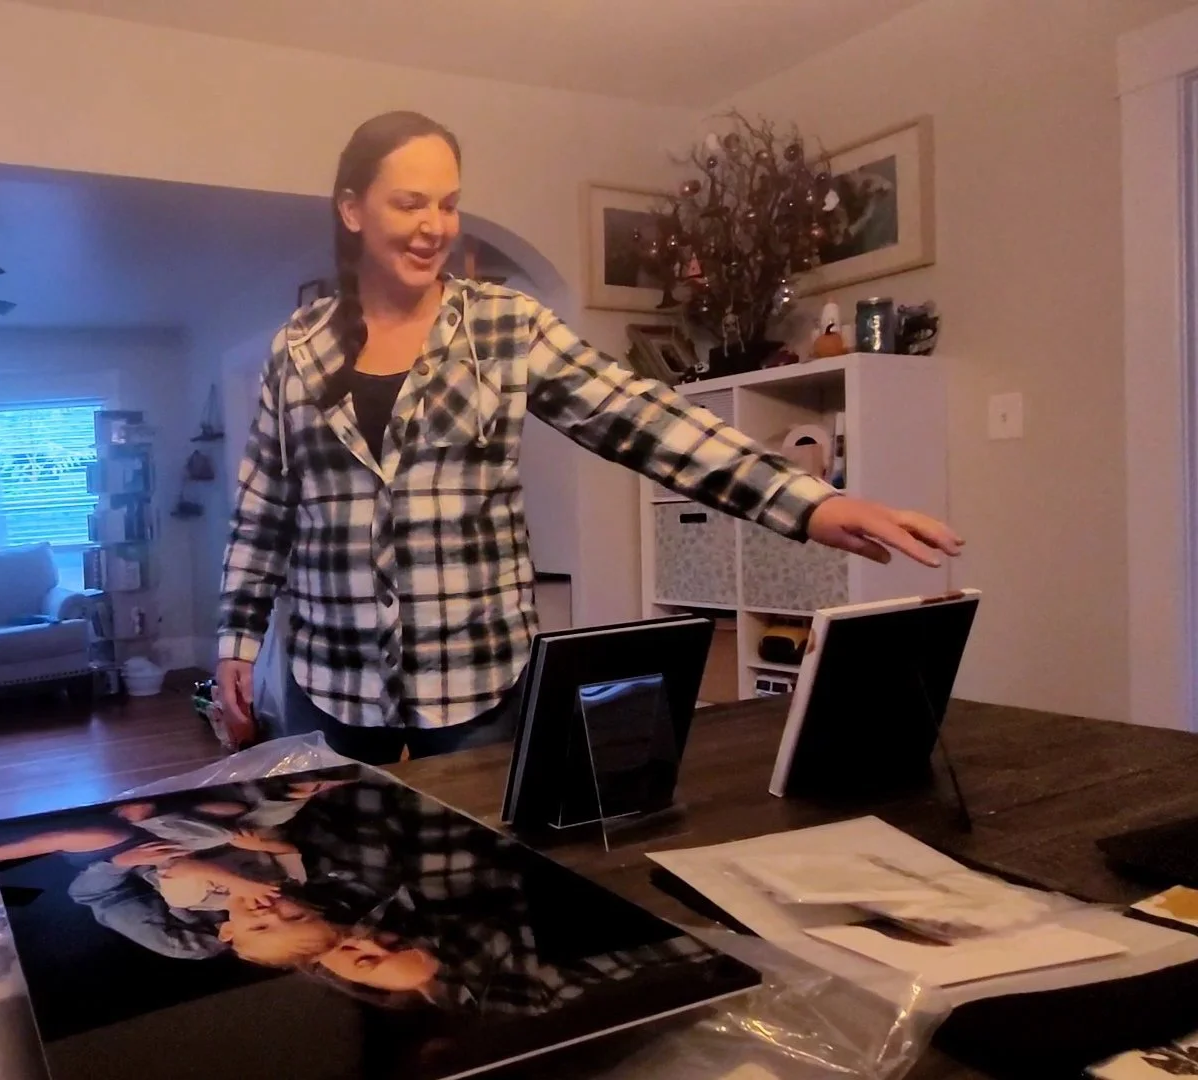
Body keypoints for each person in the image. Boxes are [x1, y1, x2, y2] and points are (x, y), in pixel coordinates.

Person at [214, 111, 963, 764]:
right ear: (352, 209)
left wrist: (810, 502)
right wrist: (236, 642)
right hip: (331, 678)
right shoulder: (298, 347)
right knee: (342, 894)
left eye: (448, 204)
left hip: (478, 678)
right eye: (409, 203)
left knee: (486, 888)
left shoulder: (504, 324)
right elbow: (264, 510)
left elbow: (642, 417)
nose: (434, 225)